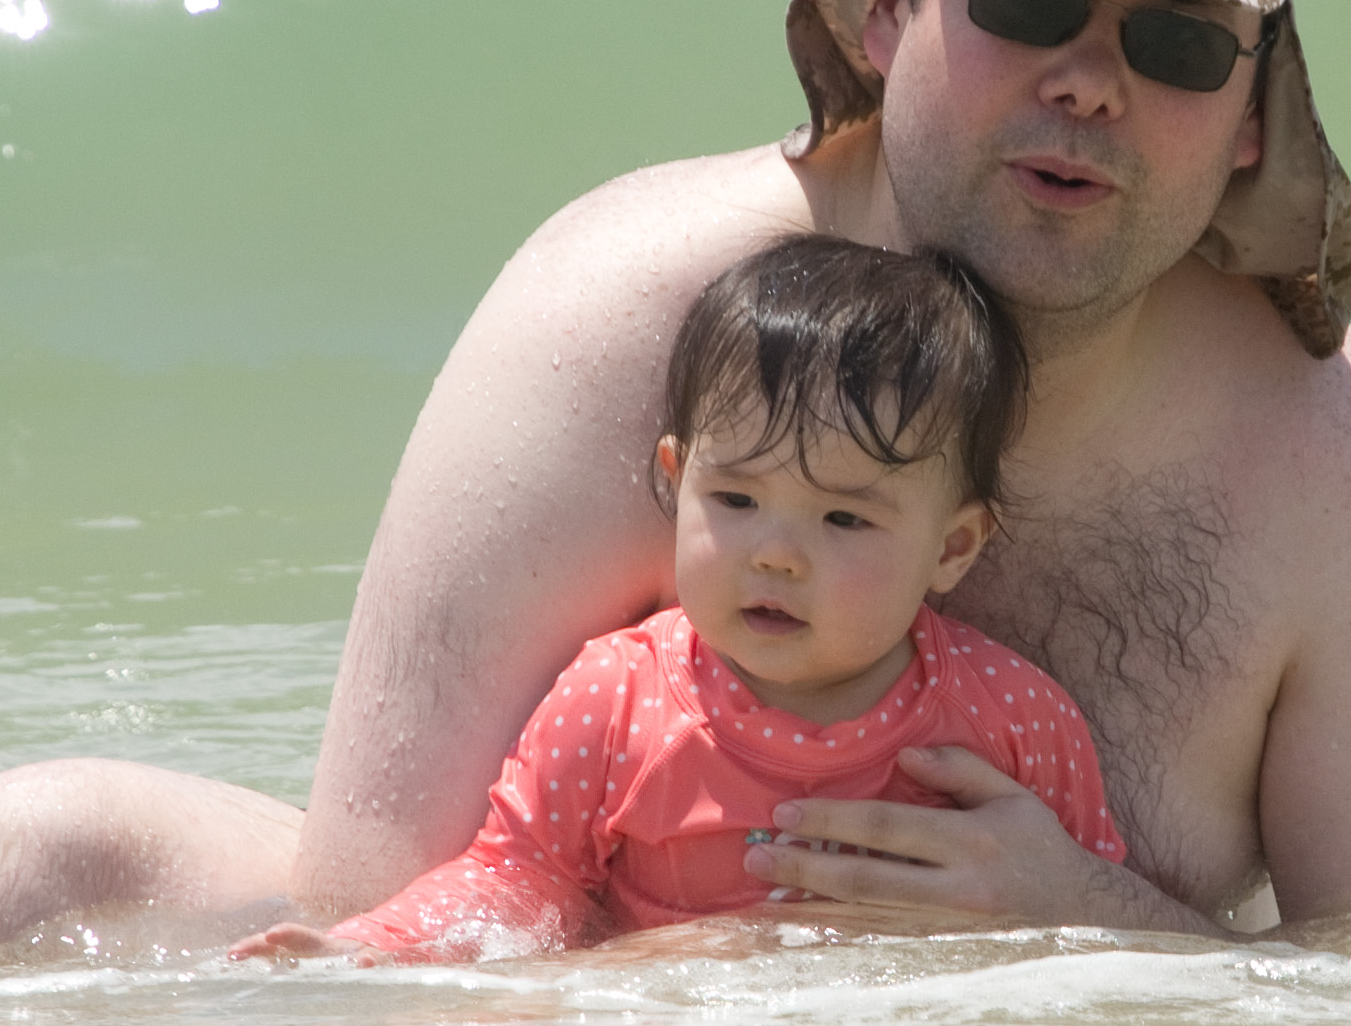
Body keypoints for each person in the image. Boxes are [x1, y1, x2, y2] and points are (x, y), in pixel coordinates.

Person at [0, 0, 1351, 966]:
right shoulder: (618, 318)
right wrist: (706, 1010)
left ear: (1254, 115)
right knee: (3, 875)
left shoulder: (1325, 460)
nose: (1089, 81)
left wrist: (1085, 925)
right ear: (894, 7)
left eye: (1178, 39)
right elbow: (393, 918)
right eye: (1027, 1)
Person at [241, 234, 1118, 957]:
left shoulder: (1012, 719)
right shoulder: (618, 701)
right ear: (677, 477)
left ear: (952, 548)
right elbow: (516, 880)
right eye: (735, 501)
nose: (776, 556)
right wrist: (377, 947)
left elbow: (1092, 913)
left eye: (844, 519)